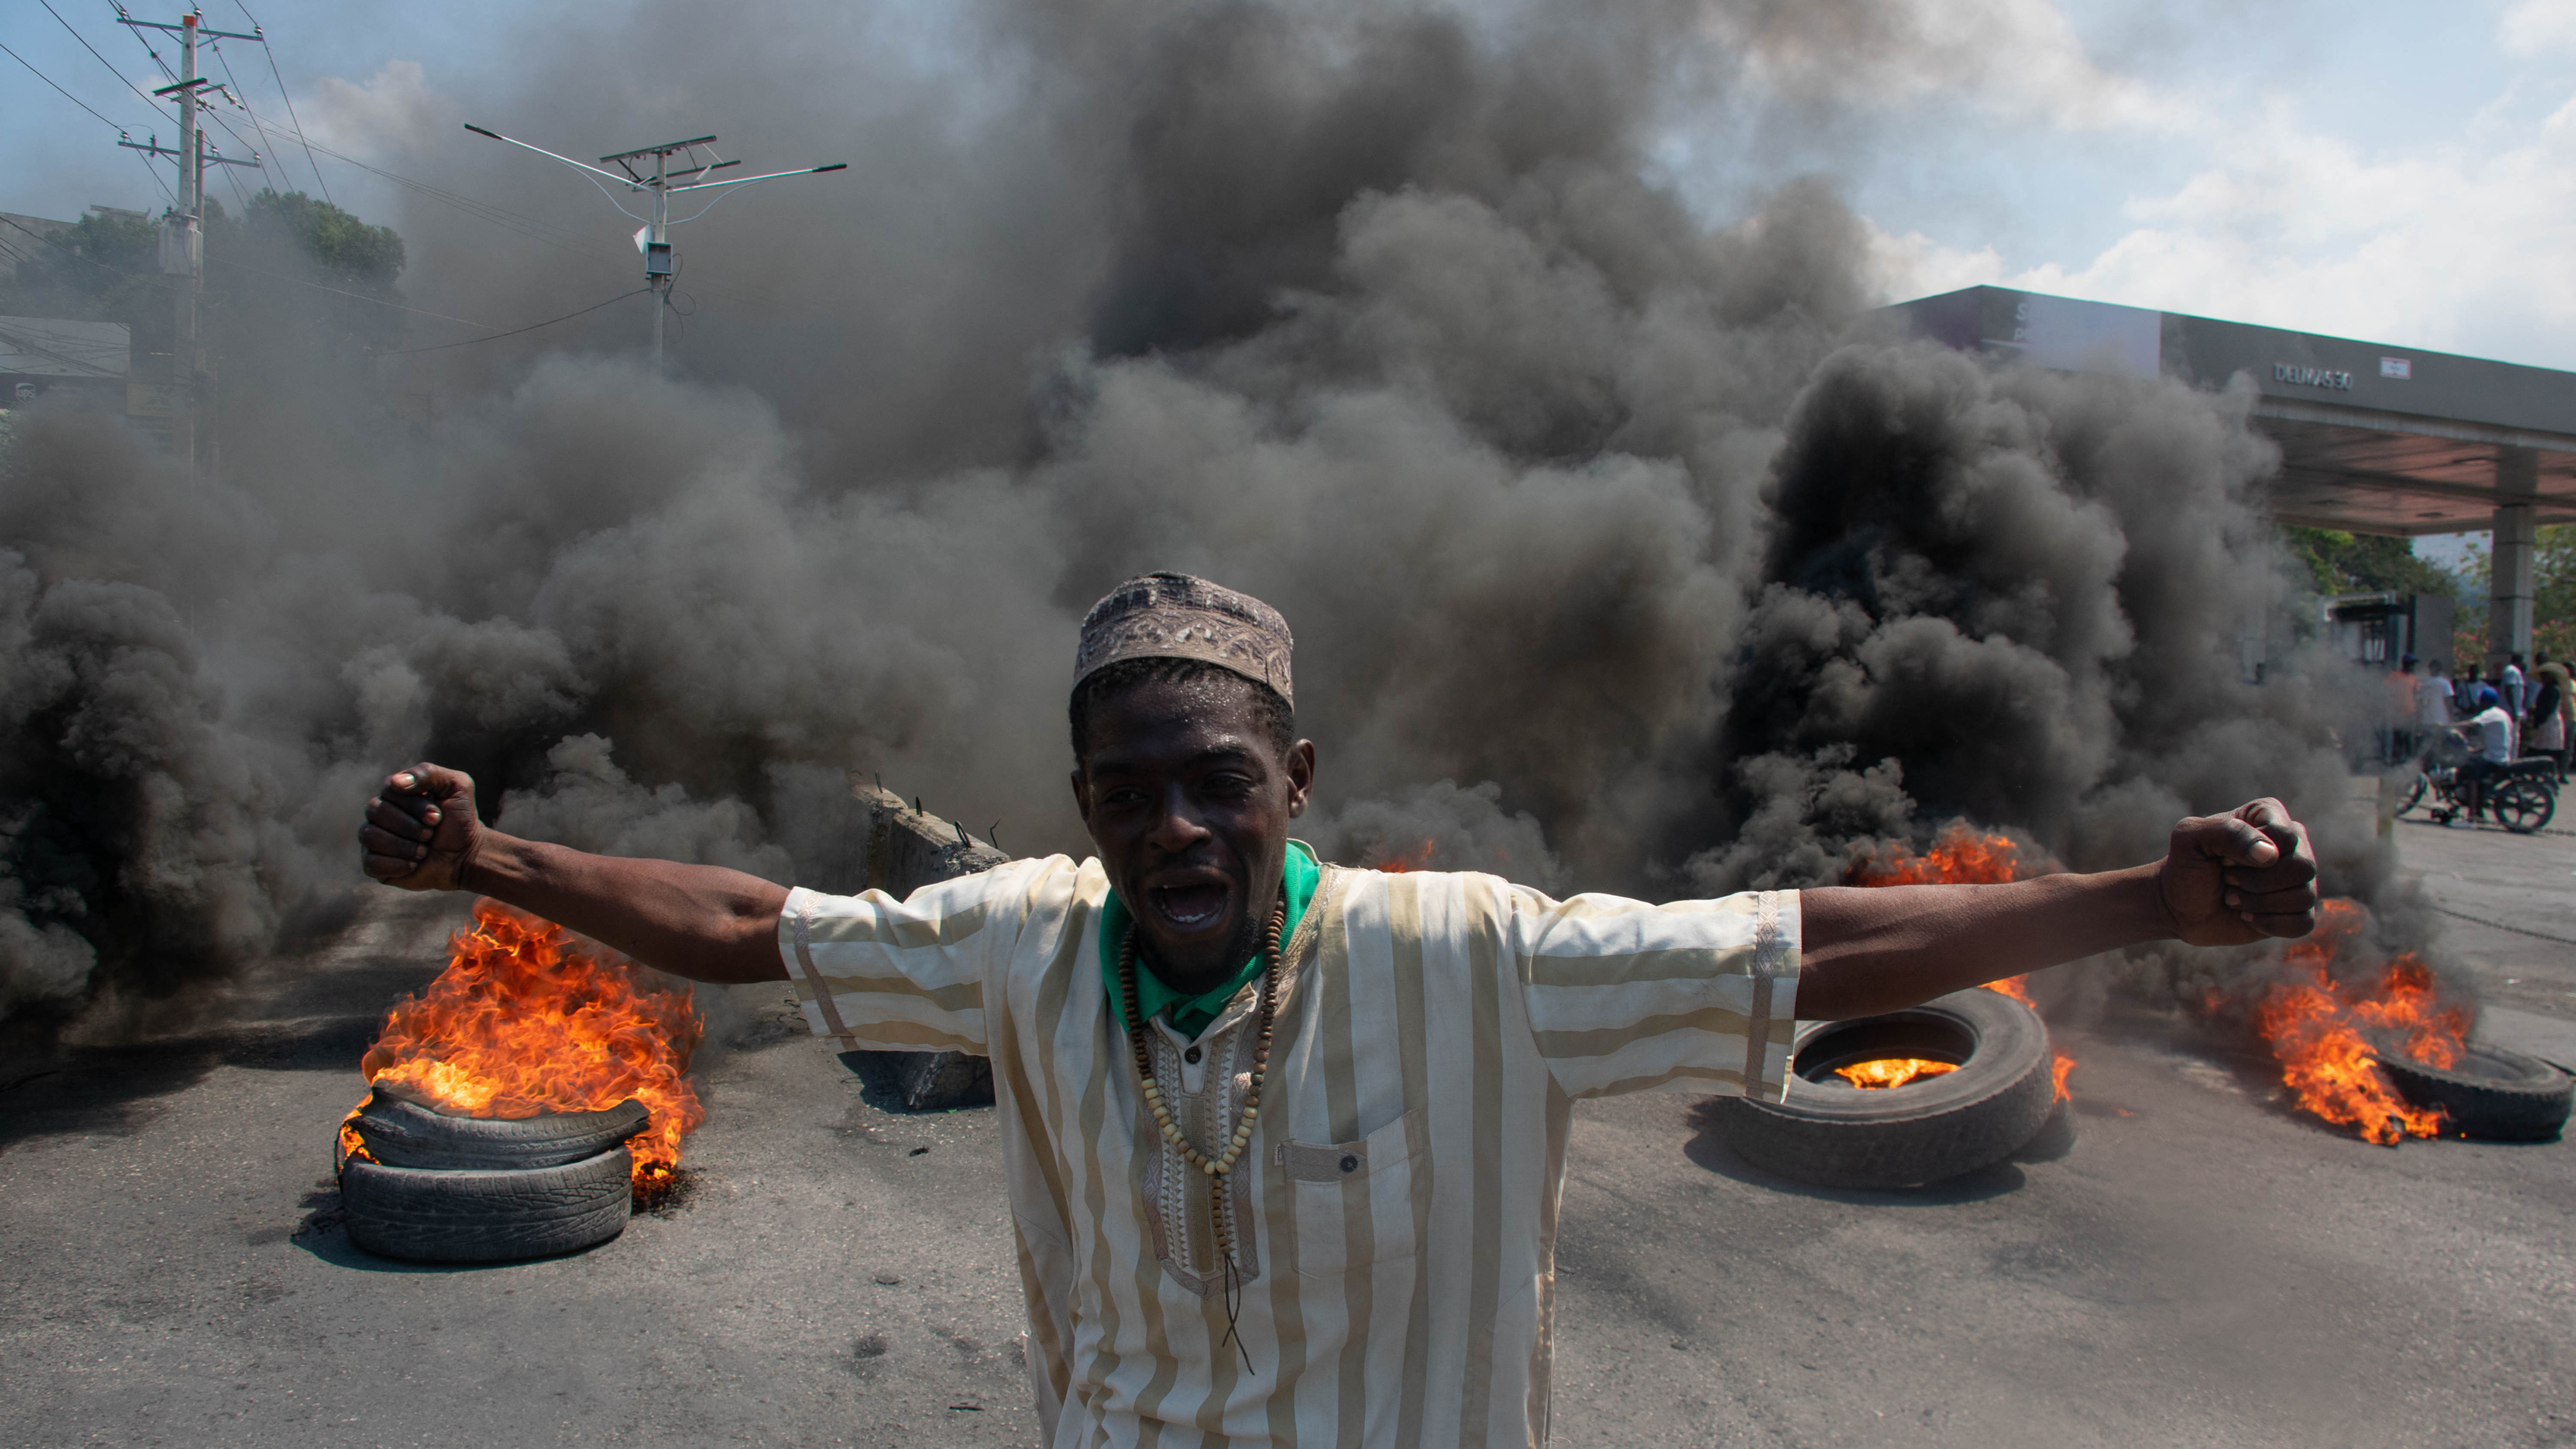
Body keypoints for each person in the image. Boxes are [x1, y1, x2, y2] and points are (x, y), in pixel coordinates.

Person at [357, 572, 2322, 1448]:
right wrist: (494, 863)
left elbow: (1787, 946)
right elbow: (749, 925)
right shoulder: (1021, 942)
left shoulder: (1468, 957)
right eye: (1129, 791)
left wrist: (2139, 898)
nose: (1177, 826)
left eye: (1218, 776)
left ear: (1298, 777)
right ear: (1083, 808)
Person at [2455, 682, 2518, 823]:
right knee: (2473, 761)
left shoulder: (2489, 714)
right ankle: (2479, 811)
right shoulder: (2502, 714)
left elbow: (2471, 724)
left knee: (2472, 778)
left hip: (2494, 758)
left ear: (2484, 701)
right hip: (2500, 755)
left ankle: (2472, 815)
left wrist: (2447, 726)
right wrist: (2476, 750)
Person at [2530, 660, 2569, 783]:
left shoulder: (2552, 690)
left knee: (2544, 750)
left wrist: (2539, 719)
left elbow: (2547, 708)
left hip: (2548, 723)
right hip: (2547, 722)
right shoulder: (2548, 689)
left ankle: (2545, 775)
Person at [2385, 656, 2422, 763]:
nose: (2412, 666)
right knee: (2398, 738)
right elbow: (2386, 690)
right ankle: (2396, 761)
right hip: (2398, 713)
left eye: (2413, 664)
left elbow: (2415, 693)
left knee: (2408, 739)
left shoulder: (2412, 678)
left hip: (2410, 713)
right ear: (2405, 664)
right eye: (2410, 664)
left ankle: (2408, 763)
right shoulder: (2395, 676)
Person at [2503, 653, 2529, 718]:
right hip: (2510, 710)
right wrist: (2513, 709)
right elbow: (2509, 689)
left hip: (2516, 709)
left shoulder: (2516, 671)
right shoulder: (2512, 670)